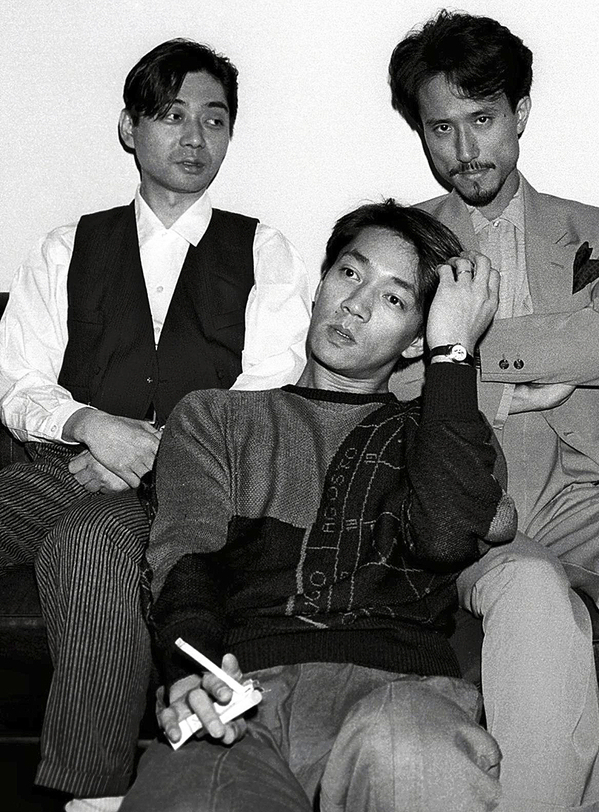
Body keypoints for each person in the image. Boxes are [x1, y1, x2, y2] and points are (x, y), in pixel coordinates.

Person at [388, 10, 599, 812]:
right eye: (441, 128)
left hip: (586, 489)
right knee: (531, 592)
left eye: (482, 119)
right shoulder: (405, 245)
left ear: (519, 113)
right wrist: (536, 362)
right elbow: (392, 381)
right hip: (474, 499)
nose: (464, 149)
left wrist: (460, 345)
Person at [118, 200, 516, 812]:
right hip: (243, 689)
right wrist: (192, 671)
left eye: (394, 299)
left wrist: (453, 356)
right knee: (191, 794)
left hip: (401, 693)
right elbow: (185, 559)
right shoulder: (216, 417)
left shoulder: (446, 432)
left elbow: (443, 537)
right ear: (322, 281)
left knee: (414, 757)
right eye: (350, 273)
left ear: (418, 340)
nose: (356, 304)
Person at [0, 39, 312, 811]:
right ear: (129, 127)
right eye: (172, 115)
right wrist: (89, 423)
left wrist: (154, 449)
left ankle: (91, 795)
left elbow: (269, 387)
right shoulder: (66, 247)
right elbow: (17, 378)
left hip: (191, 495)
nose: (195, 137)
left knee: (92, 543)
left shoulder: (264, 250)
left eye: (214, 119)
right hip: (65, 470)